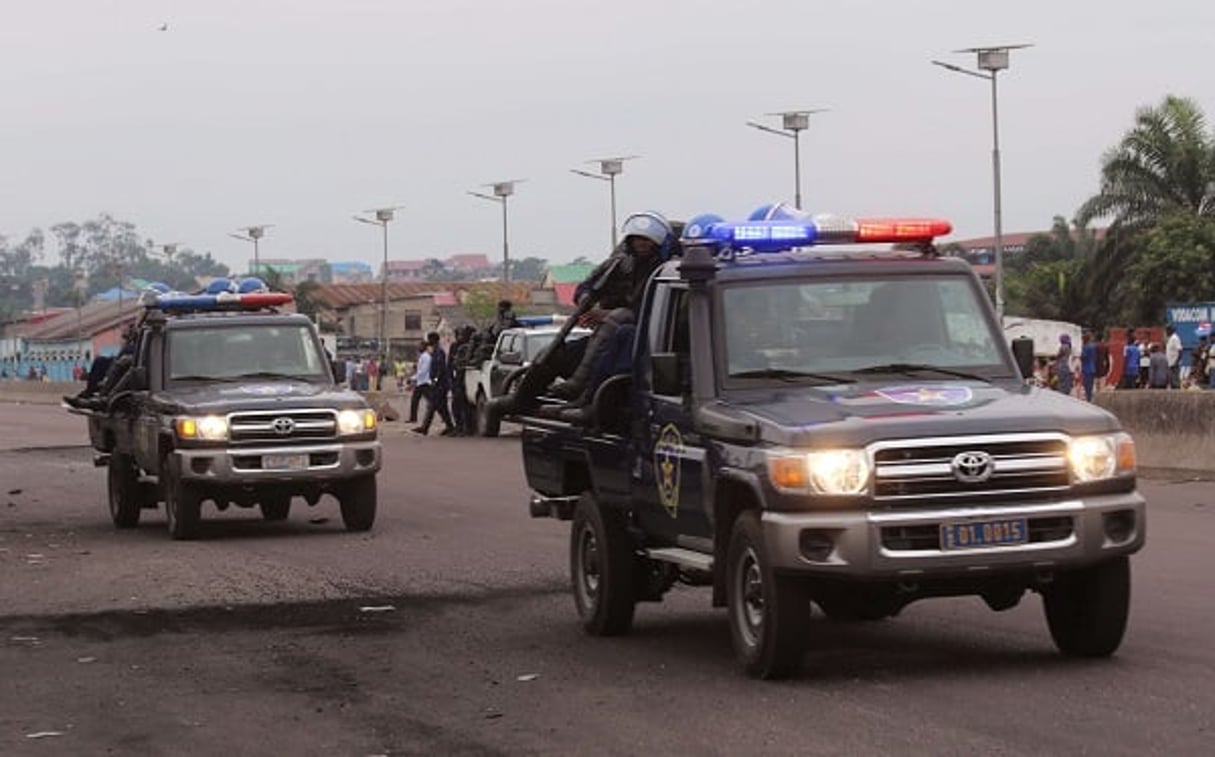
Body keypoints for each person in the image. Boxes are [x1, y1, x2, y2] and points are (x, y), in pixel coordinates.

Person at [413, 332, 456, 436]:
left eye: (429, 339)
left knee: (434, 406)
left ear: (434, 340)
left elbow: (440, 368)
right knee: (439, 406)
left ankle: (426, 427)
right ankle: (448, 427)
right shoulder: (435, 351)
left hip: (441, 384)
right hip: (439, 384)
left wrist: (435, 380)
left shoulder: (439, 352)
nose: (428, 342)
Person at [407, 340, 432, 425]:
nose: (418, 347)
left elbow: (423, 371)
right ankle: (413, 418)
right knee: (415, 400)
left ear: (424, 347)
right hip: (420, 382)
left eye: (420, 346)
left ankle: (444, 417)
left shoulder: (426, 357)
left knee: (432, 401)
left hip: (425, 382)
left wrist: (413, 378)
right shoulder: (422, 357)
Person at [1080, 330, 1098, 401]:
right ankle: (1090, 398)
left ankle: (1088, 399)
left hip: (1086, 368)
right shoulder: (1093, 346)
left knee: (1087, 385)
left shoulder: (1085, 347)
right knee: (1090, 385)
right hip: (1092, 367)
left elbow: (1083, 356)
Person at [1165, 325, 1182, 389]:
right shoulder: (1170, 338)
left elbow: (1180, 351)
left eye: (1167, 330)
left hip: (1174, 364)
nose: (1166, 332)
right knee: (1172, 382)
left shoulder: (1175, 338)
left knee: (1175, 383)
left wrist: (1176, 362)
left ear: (1170, 330)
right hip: (1170, 364)